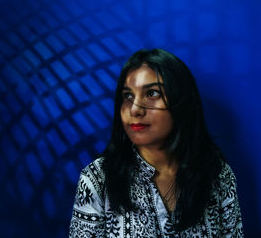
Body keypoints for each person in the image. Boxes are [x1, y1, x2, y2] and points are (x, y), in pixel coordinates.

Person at [69, 48, 244, 237]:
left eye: (152, 93)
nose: (135, 109)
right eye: (127, 96)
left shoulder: (217, 176)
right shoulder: (98, 179)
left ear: (181, 102)